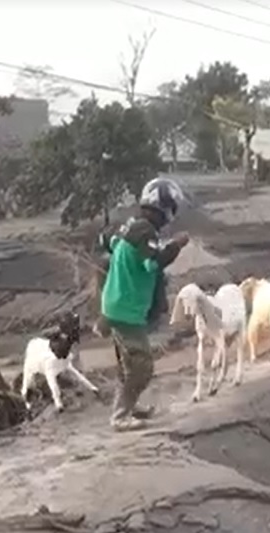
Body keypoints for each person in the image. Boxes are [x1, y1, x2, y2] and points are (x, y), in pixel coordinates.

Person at [97, 177, 190, 432]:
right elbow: (153, 262)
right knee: (143, 367)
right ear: (165, 208)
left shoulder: (131, 226)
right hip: (126, 311)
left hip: (116, 304)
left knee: (128, 365)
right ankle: (120, 415)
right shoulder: (146, 231)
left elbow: (111, 245)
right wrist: (176, 245)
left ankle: (128, 406)